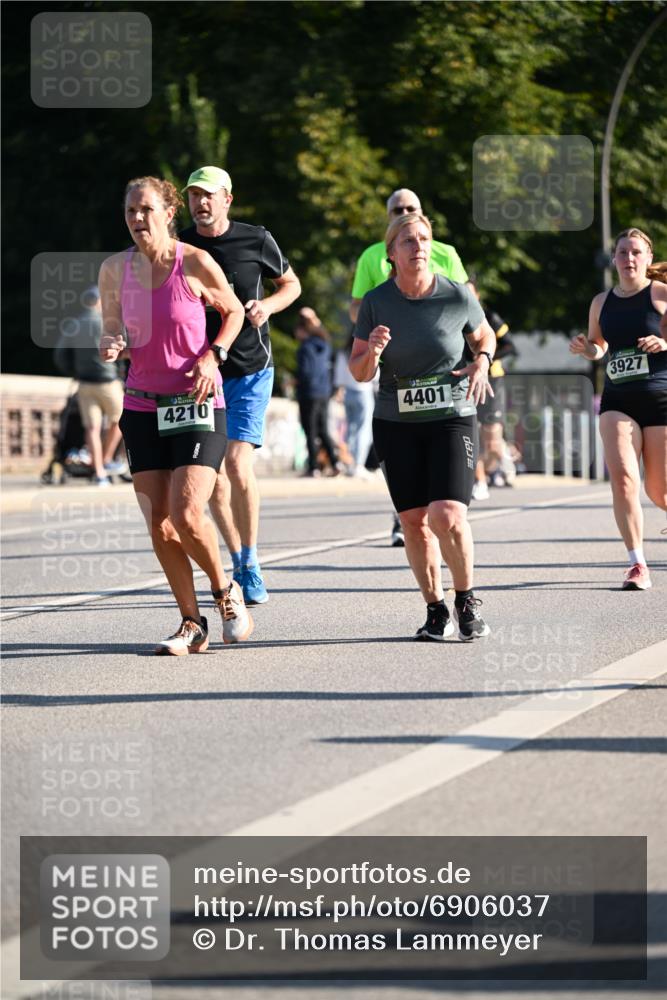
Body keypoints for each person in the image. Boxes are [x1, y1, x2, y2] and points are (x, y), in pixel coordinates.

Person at [99, 175, 254, 654]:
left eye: (146, 210)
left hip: (197, 402)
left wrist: (215, 354)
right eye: (130, 211)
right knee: (160, 523)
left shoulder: (195, 262)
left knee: (188, 513)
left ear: (169, 214)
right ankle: (191, 622)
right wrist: (111, 343)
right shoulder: (113, 270)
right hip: (143, 405)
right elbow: (110, 329)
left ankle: (225, 591)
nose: (137, 219)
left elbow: (233, 312)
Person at [350, 212, 496, 641]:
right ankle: (435, 609)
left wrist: (482, 360)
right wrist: (373, 352)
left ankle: (466, 600)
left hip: (452, 416)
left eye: (425, 239)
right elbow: (359, 371)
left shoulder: (456, 295)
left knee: (446, 514)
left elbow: (484, 335)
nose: (419, 247)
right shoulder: (376, 301)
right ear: (391, 254)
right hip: (396, 421)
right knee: (413, 521)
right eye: (409, 242)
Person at [180, 166, 301, 605]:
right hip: (201, 373)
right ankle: (237, 558)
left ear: (228, 199)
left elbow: (291, 284)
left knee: (235, 462)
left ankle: (250, 561)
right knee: (211, 479)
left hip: (251, 366)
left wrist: (267, 306)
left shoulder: (256, 239)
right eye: (194, 196)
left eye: (209, 195)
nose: (201, 203)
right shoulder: (180, 247)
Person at [351, 188, 470, 546]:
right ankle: (403, 516)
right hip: (391, 361)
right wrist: (381, 325)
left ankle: (449, 500)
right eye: (397, 209)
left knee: (445, 506)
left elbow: (466, 304)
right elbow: (358, 306)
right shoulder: (372, 256)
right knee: (401, 443)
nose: (403, 212)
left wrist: (478, 356)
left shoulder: (445, 253)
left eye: (411, 208)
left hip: (443, 369)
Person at [570, 228, 667, 590]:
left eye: (636, 252)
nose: (629, 259)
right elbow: (599, 347)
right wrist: (586, 349)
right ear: (614, 259)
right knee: (624, 478)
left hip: (660, 397)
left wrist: (664, 341)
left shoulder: (661, 294)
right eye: (623, 252)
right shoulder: (601, 302)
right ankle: (637, 563)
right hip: (618, 399)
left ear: (647, 257)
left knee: (660, 491)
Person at [53, 285, 126, 486]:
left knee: (91, 428)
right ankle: (107, 459)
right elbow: (122, 349)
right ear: (99, 301)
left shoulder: (74, 325)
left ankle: (99, 472)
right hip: (108, 381)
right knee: (120, 420)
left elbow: (60, 355)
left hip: (84, 382)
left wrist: (74, 371)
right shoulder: (107, 323)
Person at [469, 292, 517, 500]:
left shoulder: (490, 317)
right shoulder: (453, 313)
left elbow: (510, 347)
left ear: (477, 294)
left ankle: (503, 459)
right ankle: (479, 480)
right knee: (471, 434)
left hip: (492, 381)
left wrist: (484, 357)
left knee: (493, 443)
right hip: (466, 381)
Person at [295, 307, 340, 477]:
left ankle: (313, 466)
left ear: (302, 330)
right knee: (323, 429)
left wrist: (297, 381)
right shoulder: (325, 344)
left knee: (310, 430)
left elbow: (305, 371)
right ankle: (335, 463)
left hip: (308, 392)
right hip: (324, 391)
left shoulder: (305, 348)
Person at [334, 331, 376, 478]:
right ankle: (358, 464)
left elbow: (339, 375)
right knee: (363, 430)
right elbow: (375, 374)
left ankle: (349, 463)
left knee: (349, 429)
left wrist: (339, 390)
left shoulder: (344, 352)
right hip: (364, 391)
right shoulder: (366, 349)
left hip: (347, 392)